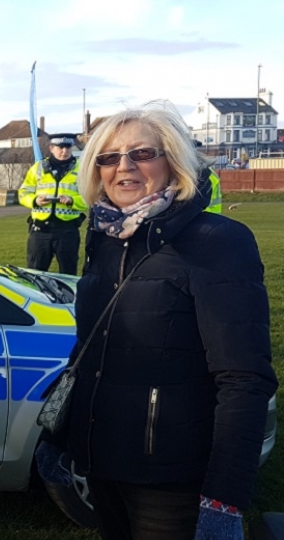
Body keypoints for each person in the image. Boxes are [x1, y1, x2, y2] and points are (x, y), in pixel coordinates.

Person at [36, 105, 278, 540]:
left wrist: (223, 500)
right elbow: (90, 349)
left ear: (174, 161)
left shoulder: (217, 242)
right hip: (104, 465)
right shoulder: (106, 236)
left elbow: (244, 379)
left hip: (173, 480)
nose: (123, 167)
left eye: (142, 153)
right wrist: (58, 438)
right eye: (107, 158)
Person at [18, 133, 88, 275]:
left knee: (68, 274)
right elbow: (23, 193)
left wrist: (72, 201)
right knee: (34, 274)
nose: (64, 151)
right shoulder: (38, 168)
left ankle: (69, 298)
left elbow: (89, 198)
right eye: (60, 147)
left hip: (67, 230)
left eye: (68, 147)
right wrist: (35, 201)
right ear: (51, 148)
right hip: (40, 230)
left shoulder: (81, 170)